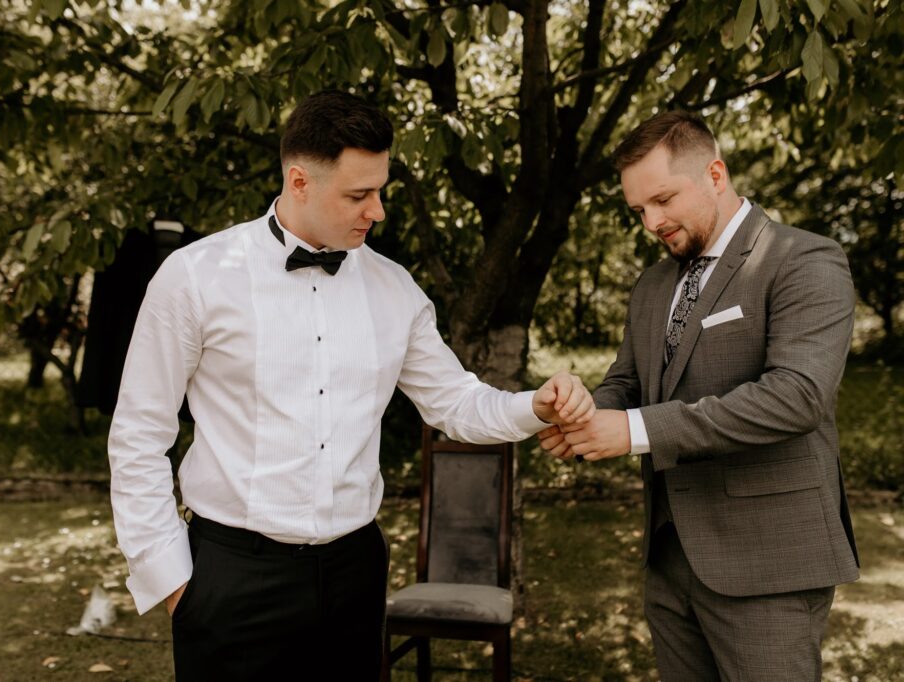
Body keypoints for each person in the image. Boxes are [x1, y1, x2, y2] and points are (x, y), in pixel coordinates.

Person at [108, 90, 595, 681]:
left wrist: (536, 406)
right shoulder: (194, 277)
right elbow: (139, 433)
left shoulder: (395, 289)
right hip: (232, 579)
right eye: (359, 195)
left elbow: (457, 403)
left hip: (355, 574)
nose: (378, 211)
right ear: (299, 181)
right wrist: (173, 582)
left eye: (380, 190)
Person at [538, 110, 859, 681]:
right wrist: (581, 413)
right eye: (638, 210)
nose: (651, 222)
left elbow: (796, 396)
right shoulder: (653, 283)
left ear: (715, 175)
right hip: (669, 559)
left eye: (663, 200)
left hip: (768, 565)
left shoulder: (803, 259)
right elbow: (627, 382)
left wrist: (633, 431)